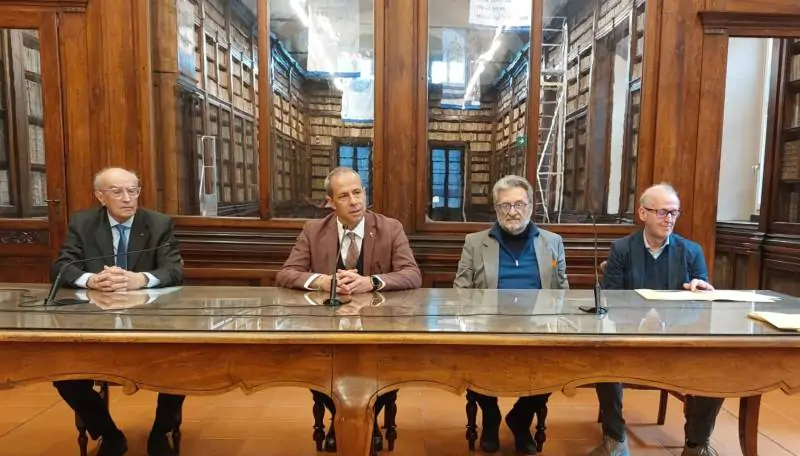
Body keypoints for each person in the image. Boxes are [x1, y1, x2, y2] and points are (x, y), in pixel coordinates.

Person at [276, 166, 422, 452]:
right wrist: (322, 281)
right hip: (328, 328)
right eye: (344, 196)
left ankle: (367, 419)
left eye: (358, 192)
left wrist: (371, 282)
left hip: (379, 327)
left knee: (386, 368)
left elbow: (412, 274)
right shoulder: (313, 231)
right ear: (330, 202)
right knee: (319, 368)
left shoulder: (390, 228)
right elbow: (286, 273)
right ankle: (341, 419)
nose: (354, 201)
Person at [51, 167, 185, 456]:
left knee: (182, 364)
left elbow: (174, 270)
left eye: (133, 190)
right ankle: (109, 434)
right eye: (117, 192)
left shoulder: (158, 223)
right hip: (95, 322)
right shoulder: (84, 222)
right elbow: (62, 266)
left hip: (151, 322)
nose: (127, 198)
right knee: (64, 375)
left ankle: (160, 432)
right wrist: (91, 280)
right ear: (101, 196)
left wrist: (141, 279)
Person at [591, 183, 720, 456]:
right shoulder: (622, 250)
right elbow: (611, 301)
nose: (669, 219)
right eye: (662, 212)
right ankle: (615, 439)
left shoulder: (691, 251)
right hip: (630, 339)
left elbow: (702, 308)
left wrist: (702, 290)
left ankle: (695, 444)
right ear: (643, 213)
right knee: (603, 362)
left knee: (717, 371)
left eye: (674, 213)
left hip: (677, 341)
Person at [454, 175, 568, 455]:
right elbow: (461, 289)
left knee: (558, 366)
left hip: (538, 327)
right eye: (505, 206)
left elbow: (561, 289)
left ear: (531, 206)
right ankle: (490, 415)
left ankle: (520, 418)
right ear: (496, 208)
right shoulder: (475, 242)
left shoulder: (552, 242)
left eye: (519, 204)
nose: (513, 212)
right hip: (488, 326)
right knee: (472, 359)